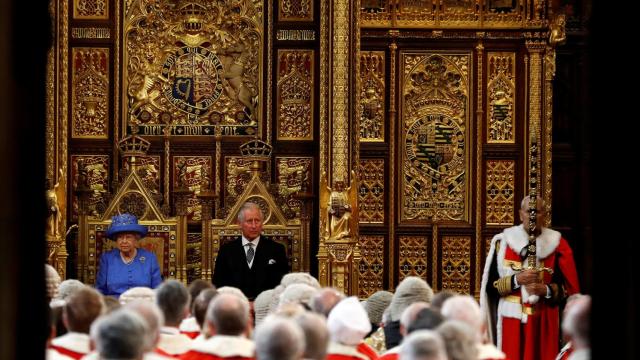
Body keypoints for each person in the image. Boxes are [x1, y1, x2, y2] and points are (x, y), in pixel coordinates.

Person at [480, 196, 580, 360]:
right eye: (529, 211)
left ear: (545, 215)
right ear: (521, 214)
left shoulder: (557, 244)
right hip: (511, 323)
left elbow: (570, 293)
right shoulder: (503, 243)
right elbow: (490, 288)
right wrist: (516, 280)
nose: (532, 216)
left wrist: (547, 290)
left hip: (545, 321)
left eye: (537, 212)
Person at [212, 202, 288, 300]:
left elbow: (282, 285)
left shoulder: (277, 249)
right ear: (239, 223)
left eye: (257, 221)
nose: (254, 226)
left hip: (267, 307)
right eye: (249, 221)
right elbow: (219, 285)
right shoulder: (226, 251)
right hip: (235, 307)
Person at [96, 213, 162, 298]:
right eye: (120, 237)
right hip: (115, 306)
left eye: (128, 237)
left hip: (142, 305)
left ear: (136, 239)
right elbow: (100, 290)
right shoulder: (107, 258)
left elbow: (157, 290)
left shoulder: (150, 258)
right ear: (116, 240)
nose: (124, 241)